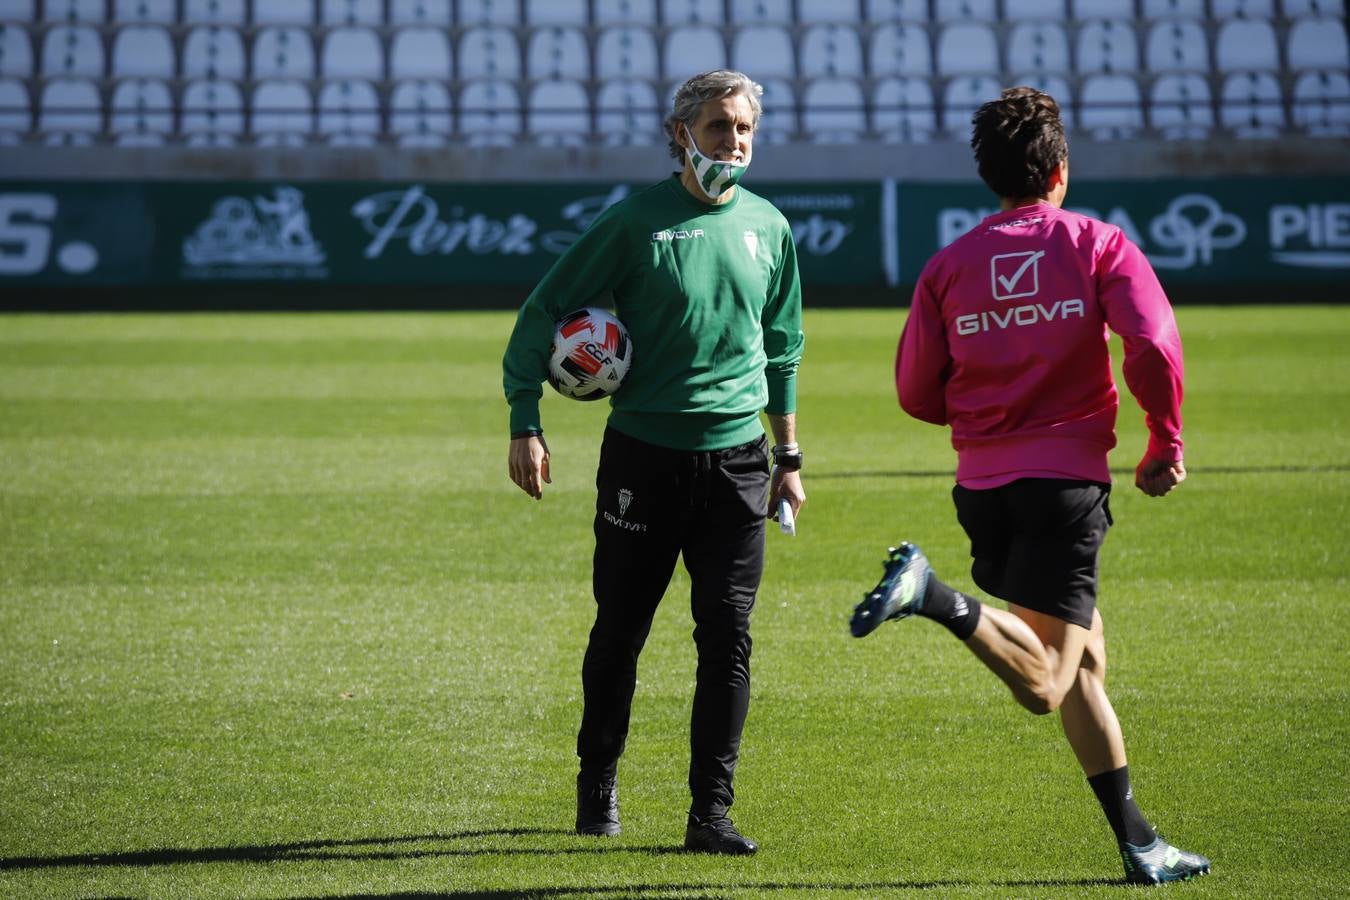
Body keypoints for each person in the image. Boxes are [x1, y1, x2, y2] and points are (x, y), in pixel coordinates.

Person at [849, 87, 1210, 886]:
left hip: (983, 489)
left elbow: (916, 390)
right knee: (1047, 681)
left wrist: (989, 411)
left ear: (992, 175)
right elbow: (1150, 343)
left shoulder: (948, 264)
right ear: (1059, 169)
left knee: (1085, 667)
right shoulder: (1095, 242)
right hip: (1064, 488)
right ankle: (931, 594)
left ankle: (1141, 845)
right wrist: (1165, 441)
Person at [502, 69, 805, 856]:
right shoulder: (634, 224)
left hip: (739, 463)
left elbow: (784, 349)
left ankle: (711, 812)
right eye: (716, 128)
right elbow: (544, 309)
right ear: (681, 134)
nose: (732, 142)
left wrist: (789, 453)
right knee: (621, 632)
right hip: (644, 458)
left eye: (743, 129)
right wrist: (524, 419)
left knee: (728, 637)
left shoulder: (770, 228)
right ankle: (597, 779)